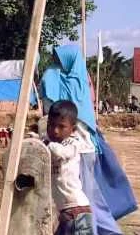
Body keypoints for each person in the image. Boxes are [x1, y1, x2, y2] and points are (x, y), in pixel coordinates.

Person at [44, 100, 94, 235]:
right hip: (65, 213)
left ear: (73, 129)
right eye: (51, 125)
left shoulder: (73, 144)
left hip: (77, 213)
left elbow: (60, 152)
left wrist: (45, 143)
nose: (55, 131)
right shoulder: (51, 144)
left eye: (61, 127)